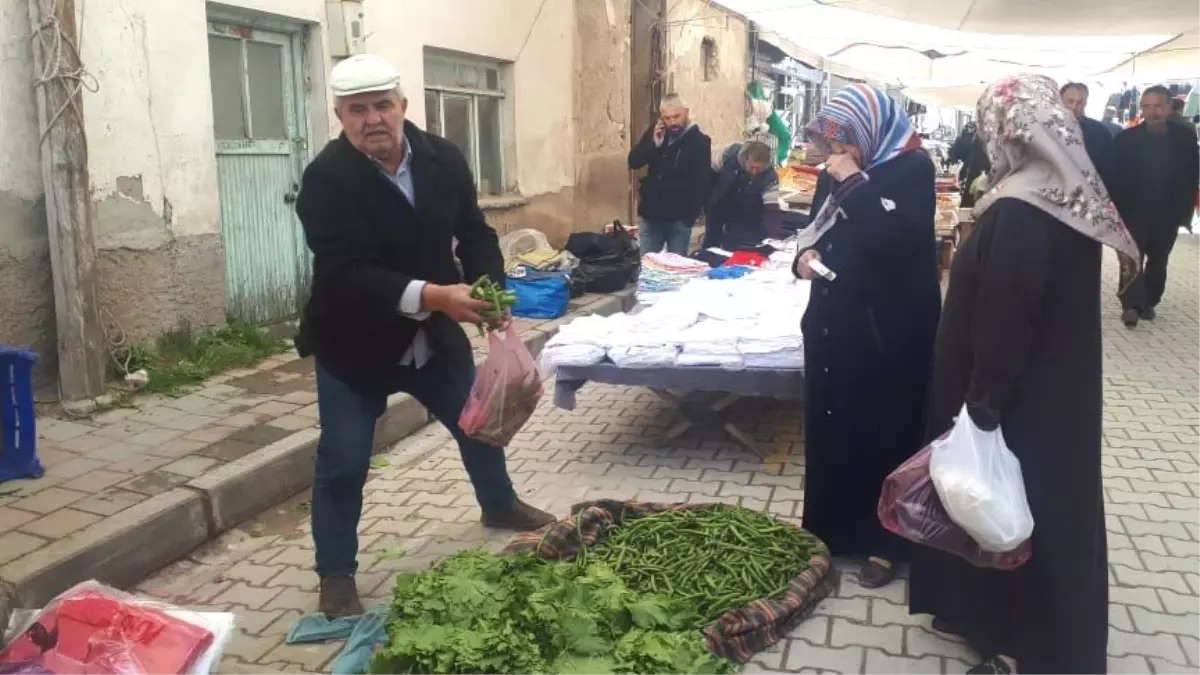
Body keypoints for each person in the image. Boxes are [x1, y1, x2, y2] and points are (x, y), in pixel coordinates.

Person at [294, 54, 555, 618]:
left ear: (403, 106)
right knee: (343, 460)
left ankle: (499, 505)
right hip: (352, 343)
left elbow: (475, 232)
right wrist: (440, 296)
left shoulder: (442, 158)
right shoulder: (325, 181)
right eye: (357, 110)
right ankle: (336, 575)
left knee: (479, 426)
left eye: (382, 105)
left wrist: (491, 294)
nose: (372, 120)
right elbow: (347, 273)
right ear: (339, 115)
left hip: (433, 338)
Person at [908, 74, 1141, 675]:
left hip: (1017, 401)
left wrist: (982, 409)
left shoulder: (1021, 209)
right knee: (1030, 510)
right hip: (1053, 397)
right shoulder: (1060, 193)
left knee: (1016, 512)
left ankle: (1024, 647)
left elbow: (1007, 320)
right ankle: (997, 623)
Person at [791, 84, 941, 588]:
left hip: (888, 333)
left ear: (870, 134)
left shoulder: (913, 169)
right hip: (834, 323)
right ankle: (828, 533)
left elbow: (893, 243)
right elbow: (815, 230)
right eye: (831, 142)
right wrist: (802, 261)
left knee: (884, 433)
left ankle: (885, 543)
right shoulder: (833, 170)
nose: (836, 152)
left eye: (845, 141)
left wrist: (856, 181)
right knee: (832, 428)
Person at [1111, 85, 1200, 328]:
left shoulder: (1184, 139)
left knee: (1159, 260)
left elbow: (1192, 175)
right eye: (1147, 107)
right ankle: (1131, 305)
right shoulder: (1126, 140)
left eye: (1158, 106)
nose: (1153, 112)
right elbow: (1115, 177)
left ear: (1169, 108)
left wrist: (1186, 212)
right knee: (1132, 259)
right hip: (1134, 211)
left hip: (1168, 213)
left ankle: (1149, 300)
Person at [628, 94, 713, 255]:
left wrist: (690, 216)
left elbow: (702, 181)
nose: (673, 122)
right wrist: (654, 144)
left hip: (679, 219)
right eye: (667, 118)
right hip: (651, 216)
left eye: (676, 116)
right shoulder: (655, 133)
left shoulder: (699, 142)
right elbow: (634, 162)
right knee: (647, 268)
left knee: (676, 270)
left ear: (686, 113)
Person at [701, 141, 778, 251]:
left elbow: (772, 209)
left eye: (759, 169)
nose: (754, 172)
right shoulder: (728, 155)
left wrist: (774, 236)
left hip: (745, 214)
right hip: (718, 205)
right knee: (710, 245)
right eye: (752, 167)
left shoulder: (770, 177)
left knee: (736, 248)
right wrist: (706, 202)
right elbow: (707, 176)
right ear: (745, 159)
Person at [1059, 82, 1119, 195]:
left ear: (1085, 103)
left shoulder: (1099, 132)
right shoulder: (1046, 128)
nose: (1074, 107)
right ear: (1060, 101)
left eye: (1080, 102)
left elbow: (1109, 173)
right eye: (1070, 101)